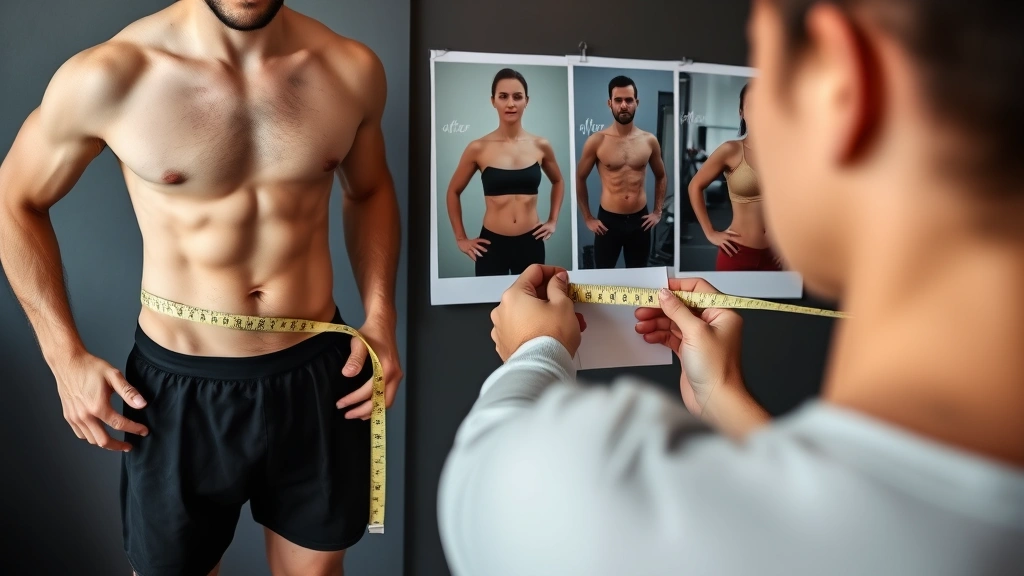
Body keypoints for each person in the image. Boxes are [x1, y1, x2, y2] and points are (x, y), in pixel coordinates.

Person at [437, 0, 1024, 574]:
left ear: (838, 83)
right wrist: (724, 397)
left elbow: (484, 473)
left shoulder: (610, 495)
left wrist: (535, 352)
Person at [0, 1, 403, 575]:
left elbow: (370, 191)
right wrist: (61, 354)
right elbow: (13, 199)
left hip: (318, 375)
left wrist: (381, 316)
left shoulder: (349, 69)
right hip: (178, 389)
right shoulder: (113, 74)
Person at [446, 68, 565, 276]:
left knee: (532, 306)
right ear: (493, 101)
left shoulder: (541, 145)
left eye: (517, 97)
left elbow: (558, 181)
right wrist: (460, 239)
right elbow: (453, 191)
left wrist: (553, 221)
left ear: (526, 101)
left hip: (531, 242)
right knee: (491, 308)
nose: (511, 103)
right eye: (503, 96)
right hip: (492, 245)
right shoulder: (478, 148)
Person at [687, 84, 783, 271]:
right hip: (737, 252)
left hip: (777, 255)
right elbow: (695, 186)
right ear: (741, 112)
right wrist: (710, 233)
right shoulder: (730, 150)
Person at [576, 75, 667, 269]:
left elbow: (661, 175)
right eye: (618, 100)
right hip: (608, 221)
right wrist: (588, 218)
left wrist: (658, 211)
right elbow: (580, 177)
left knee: (639, 277)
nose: (623, 105)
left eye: (629, 100)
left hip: (640, 221)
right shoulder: (597, 141)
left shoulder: (649, 140)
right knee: (603, 275)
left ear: (637, 102)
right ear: (610, 103)